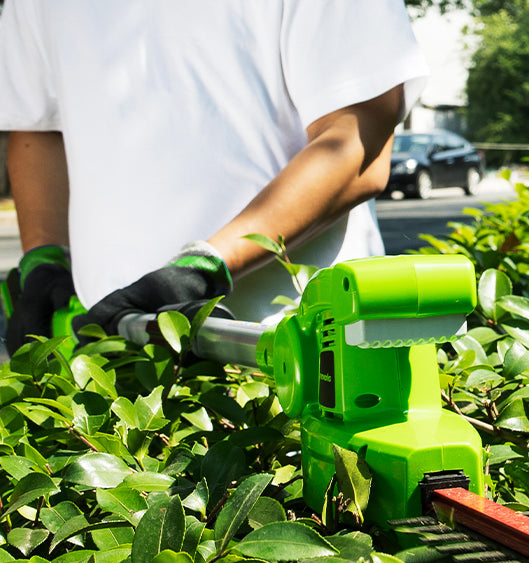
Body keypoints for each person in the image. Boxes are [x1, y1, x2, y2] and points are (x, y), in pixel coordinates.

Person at [0, 0, 429, 353]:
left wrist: (202, 270)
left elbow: (358, 140)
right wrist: (44, 258)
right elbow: (38, 126)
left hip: (293, 346)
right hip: (107, 348)